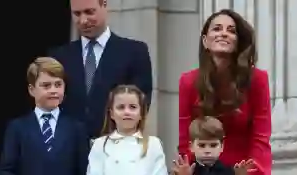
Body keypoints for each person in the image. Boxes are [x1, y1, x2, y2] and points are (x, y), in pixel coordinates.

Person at [178, 9, 271, 175]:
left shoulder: (257, 79)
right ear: (205, 41)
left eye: (231, 31)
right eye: (217, 29)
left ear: (237, 42)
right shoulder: (188, 81)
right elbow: (186, 140)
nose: (223, 34)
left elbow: (261, 138)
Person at [47, 0, 153, 139]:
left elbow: (141, 103)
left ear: (104, 4)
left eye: (89, 12)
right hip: (69, 150)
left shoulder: (134, 52)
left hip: (116, 147)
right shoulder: (58, 56)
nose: (83, 20)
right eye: (77, 14)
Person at [0, 57, 89, 175]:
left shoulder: (76, 128)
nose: (53, 90)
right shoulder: (17, 128)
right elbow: (6, 170)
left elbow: (84, 170)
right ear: (32, 90)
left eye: (58, 84)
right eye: (46, 85)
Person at [86, 85, 168, 175]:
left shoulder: (153, 145)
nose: (127, 112)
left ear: (141, 113)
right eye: (121, 107)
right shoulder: (100, 145)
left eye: (132, 107)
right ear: (112, 114)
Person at [172, 116, 254, 175]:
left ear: (222, 146)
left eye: (213, 145)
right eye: (202, 145)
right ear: (191, 147)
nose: (208, 151)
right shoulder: (186, 171)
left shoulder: (229, 172)